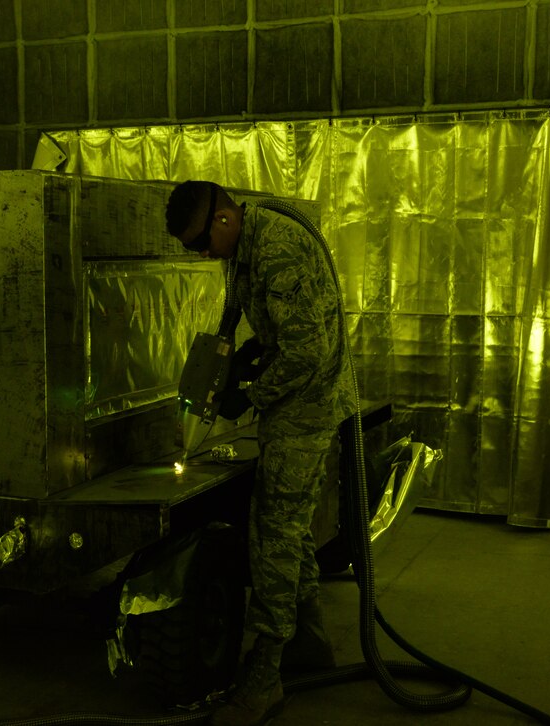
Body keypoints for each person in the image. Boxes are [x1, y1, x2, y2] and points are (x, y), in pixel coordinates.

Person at [165, 181, 357, 726]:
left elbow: (309, 354)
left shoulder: (277, 248)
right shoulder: (245, 246)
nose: (200, 255)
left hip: (308, 404)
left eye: (200, 243)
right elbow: (259, 325)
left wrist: (251, 395)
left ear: (224, 220)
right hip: (290, 400)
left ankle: (266, 674)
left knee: (271, 533)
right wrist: (244, 354)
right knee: (286, 524)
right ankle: (310, 641)